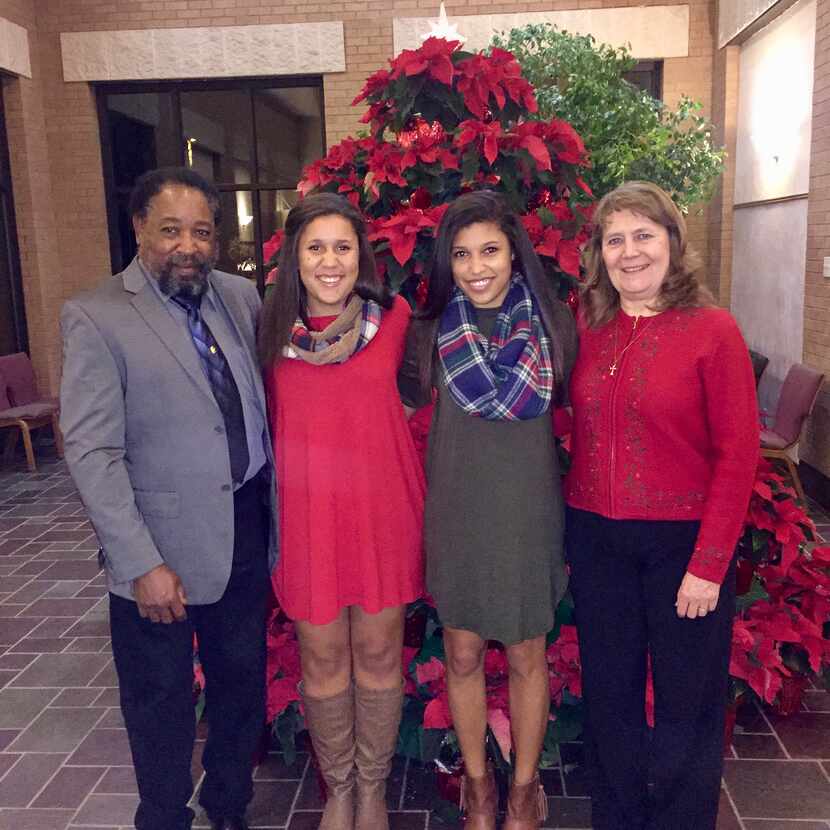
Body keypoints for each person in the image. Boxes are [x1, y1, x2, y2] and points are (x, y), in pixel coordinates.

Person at [60, 167, 278, 830]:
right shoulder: (96, 316)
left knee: (241, 686)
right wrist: (139, 563)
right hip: (159, 552)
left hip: (243, 528)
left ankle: (229, 804)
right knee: (160, 705)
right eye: (171, 230)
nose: (188, 245)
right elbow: (93, 453)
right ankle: (162, 817)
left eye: (202, 232)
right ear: (138, 230)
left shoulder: (240, 299)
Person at [564, 181, 759, 830]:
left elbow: (739, 454)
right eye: (614, 239)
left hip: (684, 547)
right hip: (598, 544)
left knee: (687, 705)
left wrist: (709, 564)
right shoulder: (587, 327)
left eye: (644, 235)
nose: (630, 252)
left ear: (673, 244)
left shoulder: (713, 331)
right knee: (610, 700)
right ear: (599, 253)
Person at [398, 190, 577, 830]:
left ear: (514, 255)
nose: (477, 267)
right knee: (464, 655)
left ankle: (525, 790)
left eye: (491, 251)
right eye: (463, 254)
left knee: (530, 656)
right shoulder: (427, 336)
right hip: (458, 517)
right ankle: (478, 786)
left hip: (528, 517)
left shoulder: (555, 329)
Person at [259, 192, 424, 830]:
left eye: (343, 246)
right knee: (323, 658)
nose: (331, 261)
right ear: (294, 256)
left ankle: (373, 790)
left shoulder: (396, 321)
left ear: (363, 256)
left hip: (382, 515)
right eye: (316, 246)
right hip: (307, 523)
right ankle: (338, 790)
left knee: (381, 656)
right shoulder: (270, 331)